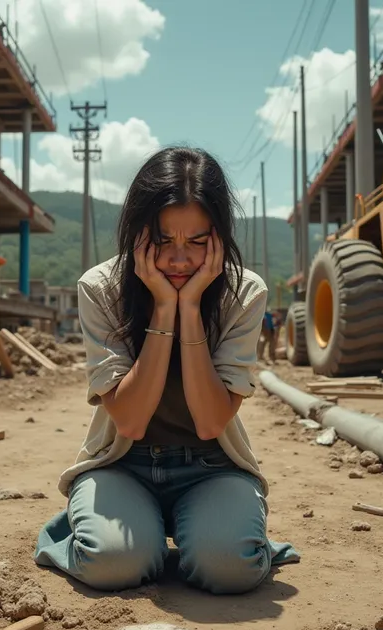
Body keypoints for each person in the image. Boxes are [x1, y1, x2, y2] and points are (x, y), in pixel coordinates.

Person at [34, 147, 299, 595]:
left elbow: (213, 421)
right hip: (123, 465)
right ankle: (93, 531)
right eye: (163, 241)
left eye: (197, 243)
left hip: (213, 466)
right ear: (138, 233)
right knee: (112, 565)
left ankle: (217, 532)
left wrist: (191, 308)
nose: (179, 260)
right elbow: (131, 420)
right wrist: (162, 307)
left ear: (219, 237)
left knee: (230, 569)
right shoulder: (101, 289)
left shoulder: (243, 293)